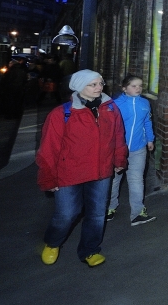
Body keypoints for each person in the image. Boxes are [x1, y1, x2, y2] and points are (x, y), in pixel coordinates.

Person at [36, 70, 128, 268]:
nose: (99, 88)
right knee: (67, 214)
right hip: (69, 173)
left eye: (100, 83)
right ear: (79, 87)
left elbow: (118, 136)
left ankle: (90, 249)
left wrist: (120, 158)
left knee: (96, 213)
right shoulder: (62, 114)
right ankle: (53, 242)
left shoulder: (110, 108)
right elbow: (48, 149)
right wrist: (48, 177)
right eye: (92, 85)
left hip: (101, 172)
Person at [107, 74, 156, 226]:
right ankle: (109, 208)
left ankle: (137, 213)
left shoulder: (144, 103)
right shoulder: (115, 105)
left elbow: (147, 121)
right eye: (134, 86)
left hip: (138, 149)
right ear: (124, 88)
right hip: (118, 150)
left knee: (136, 180)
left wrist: (150, 138)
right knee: (114, 180)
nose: (138, 88)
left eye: (140, 86)